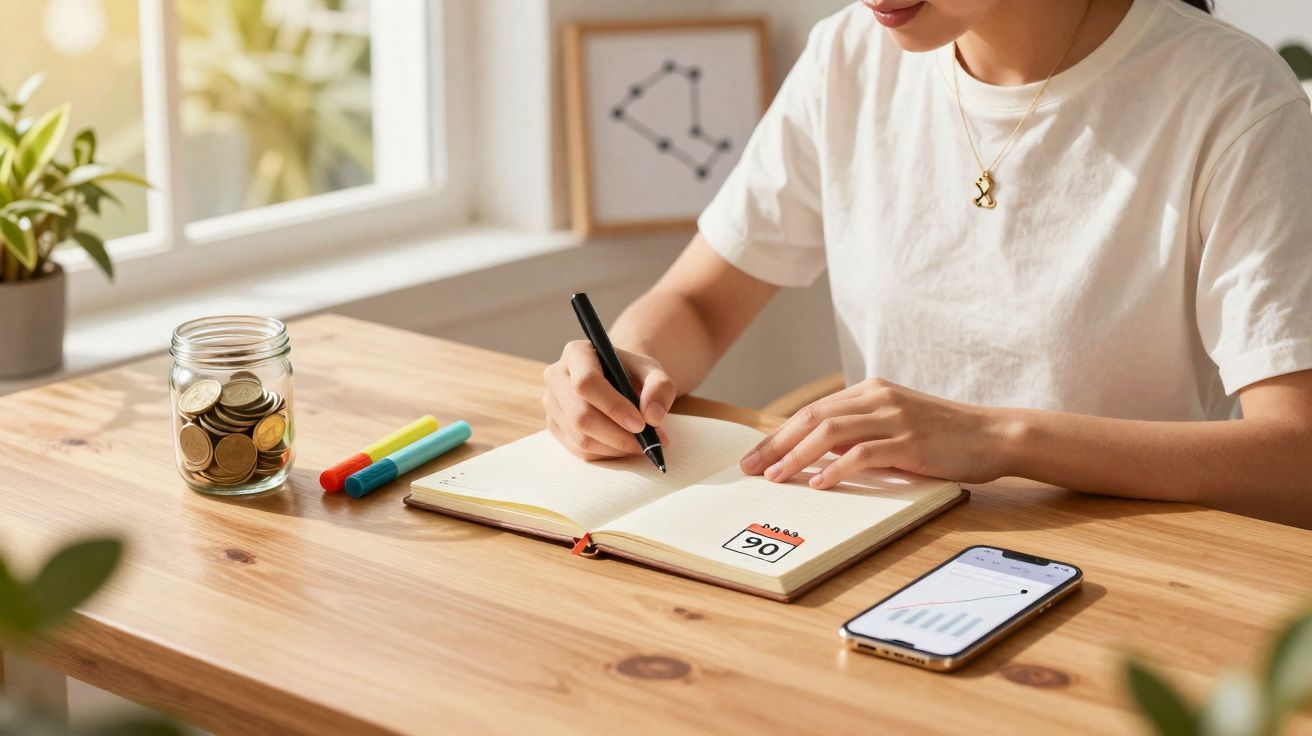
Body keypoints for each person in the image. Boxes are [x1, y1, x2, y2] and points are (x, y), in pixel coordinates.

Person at [541, 0, 1312, 529]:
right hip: (880, 544)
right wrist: (626, 365)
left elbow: (1296, 458)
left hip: (1136, 572)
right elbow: (701, 304)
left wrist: (1001, 439)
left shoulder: (1230, 98)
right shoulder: (849, 58)